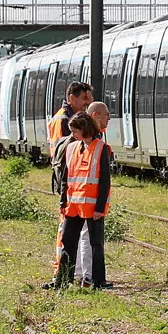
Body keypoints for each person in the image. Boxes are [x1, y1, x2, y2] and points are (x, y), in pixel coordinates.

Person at [56, 112, 112, 290]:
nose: (72, 135)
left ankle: (98, 281)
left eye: (74, 131)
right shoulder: (72, 148)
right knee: (68, 243)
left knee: (96, 244)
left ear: (84, 129)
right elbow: (66, 177)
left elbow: (104, 181)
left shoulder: (101, 148)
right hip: (73, 205)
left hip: (92, 206)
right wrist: (63, 201)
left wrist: (100, 207)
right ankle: (63, 280)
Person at [84, 101, 112, 289]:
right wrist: (100, 206)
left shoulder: (90, 142)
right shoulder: (94, 145)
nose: (109, 118)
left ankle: (87, 277)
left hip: (83, 202)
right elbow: (102, 180)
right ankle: (91, 278)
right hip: (89, 203)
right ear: (95, 115)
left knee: (87, 240)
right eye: (106, 114)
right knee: (90, 240)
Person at [48, 81, 94, 150]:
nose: (87, 102)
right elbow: (85, 143)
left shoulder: (59, 116)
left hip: (58, 159)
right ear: (72, 98)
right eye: (84, 98)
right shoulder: (67, 120)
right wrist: (92, 109)